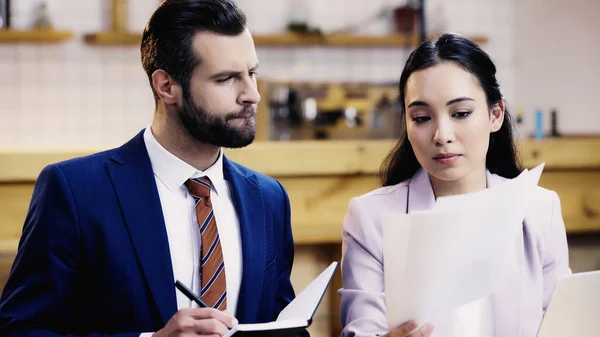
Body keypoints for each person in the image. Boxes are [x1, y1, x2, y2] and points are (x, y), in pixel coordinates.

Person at [0, 1, 309, 336]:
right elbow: (21, 329)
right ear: (166, 87)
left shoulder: (268, 198)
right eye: (226, 79)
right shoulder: (75, 192)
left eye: (251, 74)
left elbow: (283, 326)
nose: (252, 95)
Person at [339, 33, 570, 337]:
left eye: (460, 113)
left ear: (495, 115)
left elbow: (565, 326)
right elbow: (362, 331)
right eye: (421, 118)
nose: (442, 135)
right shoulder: (370, 218)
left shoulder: (540, 210)